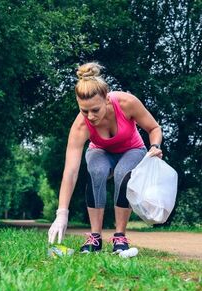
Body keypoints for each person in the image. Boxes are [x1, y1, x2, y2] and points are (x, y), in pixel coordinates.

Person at [47, 62, 163, 253]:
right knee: (97, 171)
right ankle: (95, 238)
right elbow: (71, 171)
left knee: (122, 173)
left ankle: (120, 236)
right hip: (100, 151)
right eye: (84, 111)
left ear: (106, 99)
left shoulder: (127, 103)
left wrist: (155, 147)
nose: (90, 116)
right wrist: (62, 213)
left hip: (133, 149)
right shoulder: (80, 126)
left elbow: (154, 128)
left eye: (95, 110)